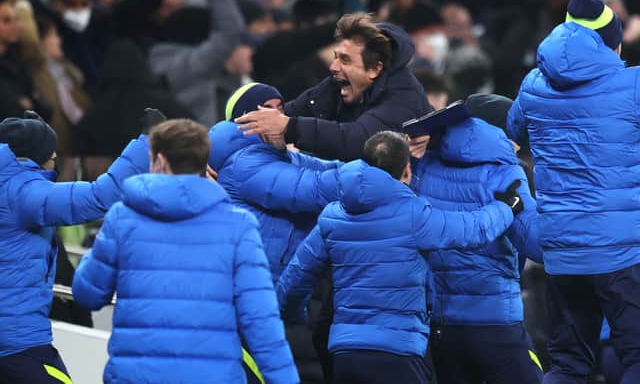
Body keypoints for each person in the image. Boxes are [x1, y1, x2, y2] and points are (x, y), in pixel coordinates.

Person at [277, 131, 523, 384]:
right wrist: (506, 206)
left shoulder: (333, 216)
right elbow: (472, 229)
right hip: (398, 354)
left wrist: (294, 314)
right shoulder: (414, 214)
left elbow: (298, 274)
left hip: (346, 354)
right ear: (406, 169)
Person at [72, 119, 299, 384]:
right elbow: (261, 319)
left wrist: (98, 251)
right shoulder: (239, 226)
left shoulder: (122, 219)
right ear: (203, 162)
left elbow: (87, 294)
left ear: (158, 160)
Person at [507, 0, 640, 383]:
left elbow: (508, 145)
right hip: (622, 252)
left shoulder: (532, 84)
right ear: (610, 45)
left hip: (562, 251)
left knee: (569, 366)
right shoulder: (632, 86)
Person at [0, 111, 150, 383]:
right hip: (18, 343)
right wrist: (147, 142)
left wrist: (35, 134)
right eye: (51, 154)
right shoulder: (23, 192)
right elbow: (100, 197)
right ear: (35, 159)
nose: (56, 159)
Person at [209, 82, 339, 383]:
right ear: (246, 119)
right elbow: (312, 190)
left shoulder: (285, 157)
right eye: (269, 109)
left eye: (282, 109)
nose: (281, 117)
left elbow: (333, 168)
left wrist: (367, 160)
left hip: (288, 295)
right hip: (262, 297)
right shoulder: (244, 162)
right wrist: (375, 173)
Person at [413, 94, 544, 384]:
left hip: (441, 326)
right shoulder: (506, 172)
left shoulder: (424, 166)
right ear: (496, 132)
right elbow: (537, 245)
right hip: (496, 321)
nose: (518, 145)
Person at [235, 13, 429, 161]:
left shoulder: (403, 95)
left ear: (374, 69)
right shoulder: (338, 84)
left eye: (345, 60)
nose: (333, 67)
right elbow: (289, 112)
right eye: (336, 56)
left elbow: (360, 140)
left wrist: (289, 127)